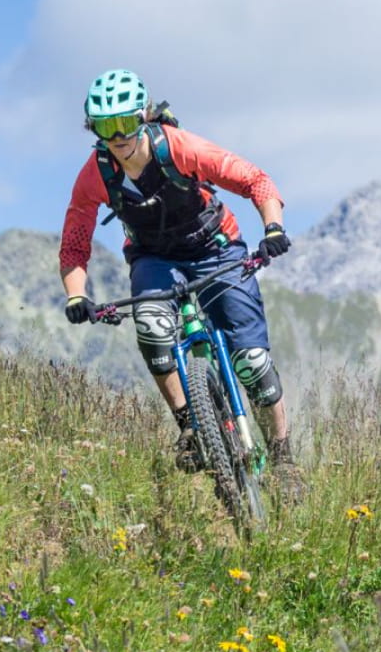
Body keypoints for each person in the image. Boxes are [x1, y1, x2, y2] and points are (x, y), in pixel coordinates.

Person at [58, 67, 303, 496]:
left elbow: (255, 180)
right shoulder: (95, 175)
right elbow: (75, 242)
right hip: (154, 257)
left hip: (215, 247)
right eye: (104, 127)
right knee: (152, 327)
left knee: (253, 363)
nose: (116, 137)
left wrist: (274, 229)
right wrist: (76, 295)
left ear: (144, 117)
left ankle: (283, 457)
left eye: (125, 124)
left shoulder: (179, 148)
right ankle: (191, 425)